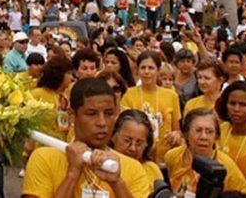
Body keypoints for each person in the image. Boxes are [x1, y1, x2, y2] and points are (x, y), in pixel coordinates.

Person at [22, 78, 152, 198]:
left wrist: (117, 183)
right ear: (72, 115)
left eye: (108, 113)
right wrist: (72, 175)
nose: (102, 122)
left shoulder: (132, 168)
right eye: (91, 114)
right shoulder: (44, 158)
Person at [164, 108, 246, 195]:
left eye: (209, 132)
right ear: (186, 134)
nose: (204, 137)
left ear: (216, 137)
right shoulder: (172, 157)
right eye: (198, 130)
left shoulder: (227, 167)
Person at [120, 51, 182, 162]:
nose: (146, 72)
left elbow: (177, 129)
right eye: (143, 68)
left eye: (151, 68)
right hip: (135, 157)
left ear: (158, 71)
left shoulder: (171, 95)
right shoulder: (128, 94)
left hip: (164, 158)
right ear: (137, 70)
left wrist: (175, 136)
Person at [111, 109, 164, 185]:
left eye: (139, 143)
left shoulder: (152, 169)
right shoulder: (101, 167)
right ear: (113, 136)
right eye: (127, 140)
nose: (133, 148)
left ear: (146, 144)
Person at [31, 55, 75, 139]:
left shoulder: (65, 97)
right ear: (58, 74)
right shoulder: (38, 94)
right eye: (69, 73)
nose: (72, 78)